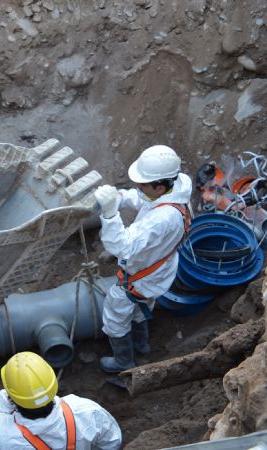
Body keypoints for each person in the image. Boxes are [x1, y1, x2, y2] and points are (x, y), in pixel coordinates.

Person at [92, 145, 192, 373]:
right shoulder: (176, 187)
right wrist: (118, 198)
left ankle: (123, 363)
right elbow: (143, 199)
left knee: (115, 318)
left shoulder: (162, 219)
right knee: (141, 308)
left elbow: (122, 246)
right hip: (158, 272)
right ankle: (142, 345)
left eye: (142, 184)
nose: (138, 187)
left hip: (140, 279)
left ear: (158, 186)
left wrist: (110, 213)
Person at [0, 351, 122, 449]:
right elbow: (112, 442)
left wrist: (7, 396)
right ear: (52, 383)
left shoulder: (0, 434)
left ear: (12, 397)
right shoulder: (85, 410)